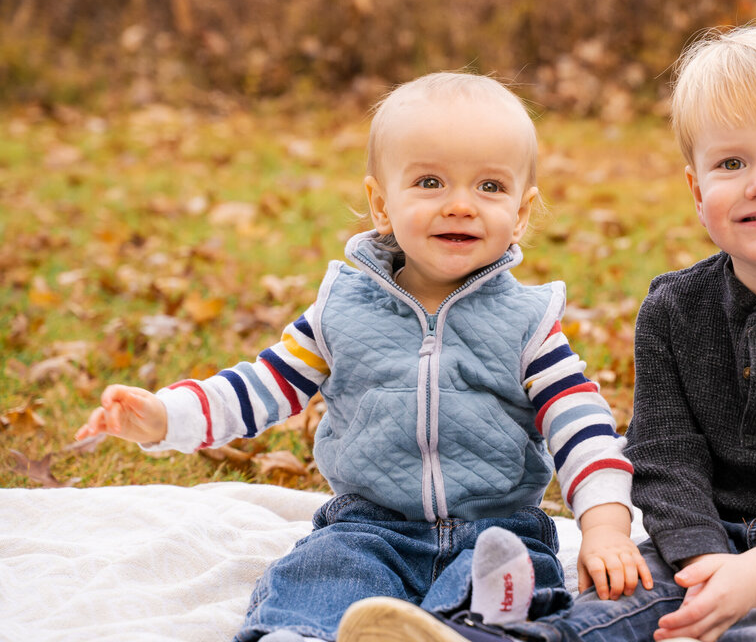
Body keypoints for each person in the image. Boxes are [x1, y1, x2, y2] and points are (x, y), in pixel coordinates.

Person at [350, 24, 756, 642]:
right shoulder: (675, 309)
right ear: (697, 190)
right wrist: (699, 556)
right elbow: (666, 455)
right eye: (731, 162)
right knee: (614, 607)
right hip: (709, 541)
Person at [75, 72, 652, 642]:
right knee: (324, 572)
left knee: (517, 577)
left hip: (497, 528)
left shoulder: (529, 324)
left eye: (490, 187)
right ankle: (301, 633)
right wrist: (165, 417)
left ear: (521, 214)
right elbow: (259, 386)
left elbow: (582, 427)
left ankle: (479, 626)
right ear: (381, 204)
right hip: (371, 523)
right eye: (430, 182)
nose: (459, 206)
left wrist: (605, 525)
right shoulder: (340, 312)